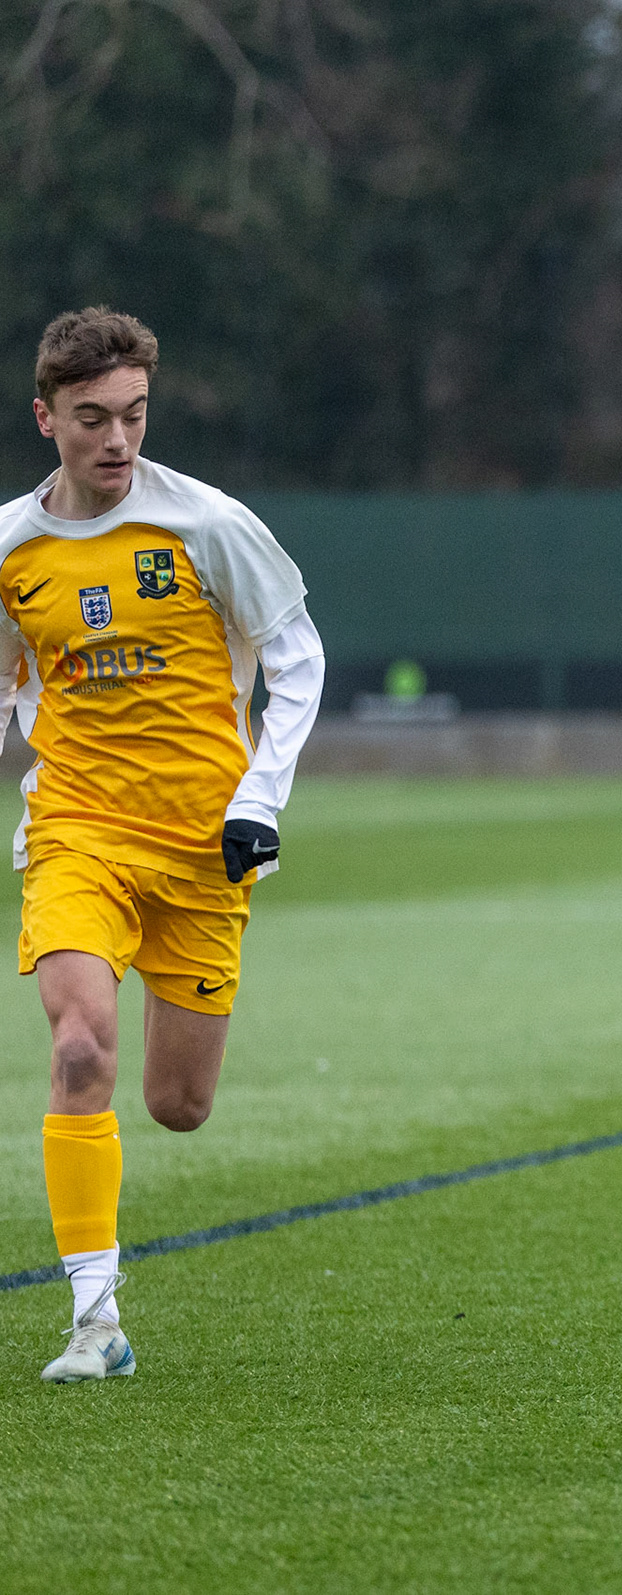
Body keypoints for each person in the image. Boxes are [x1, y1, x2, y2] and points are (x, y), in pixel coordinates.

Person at [0, 308, 325, 1382]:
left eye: (134, 415)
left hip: (201, 844)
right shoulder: (11, 548)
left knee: (178, 1106)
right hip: (76, 828)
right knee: (79, 1045)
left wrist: (260, 799)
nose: (118, 440)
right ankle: (96, 1320)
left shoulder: (209, 524)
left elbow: (298, 658)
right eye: (92, 417)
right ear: (46, 417)